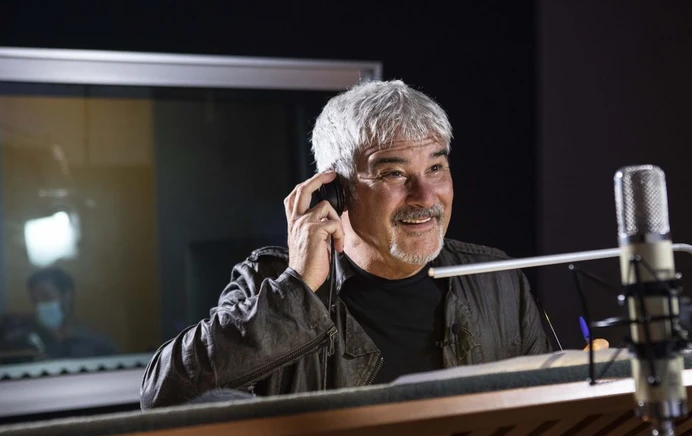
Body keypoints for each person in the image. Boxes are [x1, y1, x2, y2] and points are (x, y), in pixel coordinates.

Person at [140, 79, 551, 409]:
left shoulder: (497, 281)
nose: (425, 197)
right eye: (394, 174)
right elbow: (164, 394)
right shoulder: (269, 282)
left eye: (436, 168)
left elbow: (546, 417)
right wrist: (297, 290)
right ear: (334, 192)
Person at [21, 267, 116, 359]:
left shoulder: (98, 345)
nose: (40, 306)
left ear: (67, 296)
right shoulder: (29, 346)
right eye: (35, 300)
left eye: (46, 297)